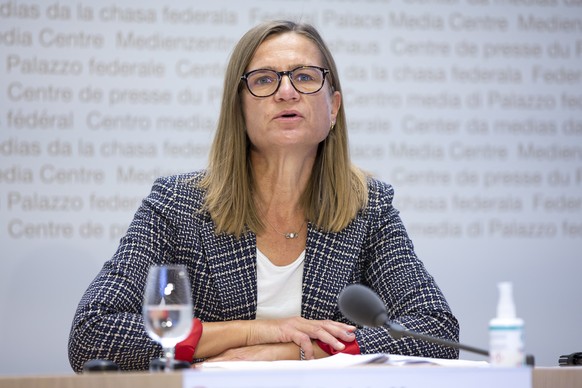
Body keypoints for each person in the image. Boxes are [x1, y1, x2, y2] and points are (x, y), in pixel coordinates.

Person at [68, 20, 459, 372]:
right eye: (264, 80)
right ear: (238, 109)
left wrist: (293, 351)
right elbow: (93, 334)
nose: (287, 92)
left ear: (333, 107)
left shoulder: (368, 207)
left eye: (305, 78)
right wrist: (259, 332)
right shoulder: (176, 205)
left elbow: (434, 329)